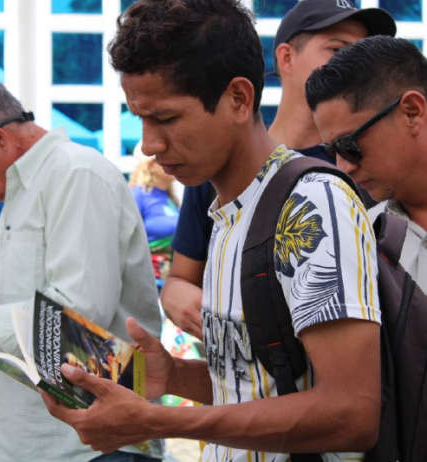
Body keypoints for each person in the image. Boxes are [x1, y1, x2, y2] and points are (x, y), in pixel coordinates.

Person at [41, 1, 381, 460]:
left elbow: (351, 412)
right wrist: (174, 376)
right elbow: (265, 386)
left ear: (238, 99)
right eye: (140, 118)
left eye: (166, 118)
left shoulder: (310, 203)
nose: (148, 144)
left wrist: (161, 421)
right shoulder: (223, 207)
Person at [0, 77, 164, 462]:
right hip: (39, 446)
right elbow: (35, 331)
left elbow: (81, 315)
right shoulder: (23, 191)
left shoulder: (76, 173)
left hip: (88, 449)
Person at [160, 0, 396, 339]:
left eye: (365, 54)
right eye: (338, 49)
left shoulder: (372, 165)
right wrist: (178, 297)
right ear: (286, 58)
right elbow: (181, 277)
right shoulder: (222, 159)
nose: (356, 67)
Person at [306, 34, 427, 294]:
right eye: (331, 150)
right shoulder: (359, 240)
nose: (343, 167)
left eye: (348, 145)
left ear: (412, 111)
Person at [129, 141, 180, 283]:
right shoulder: (138, 195)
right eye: (167, 157)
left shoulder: (170, 199)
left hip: (167, 280)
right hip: (146, 282)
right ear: (151, 165)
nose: (175, 160)